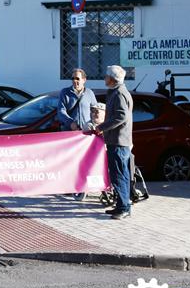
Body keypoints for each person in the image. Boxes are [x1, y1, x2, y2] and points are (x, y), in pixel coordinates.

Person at [97, 65, 134, 220]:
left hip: (119, 141)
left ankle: (124, 207)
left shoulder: (119, 93)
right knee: (121, 175)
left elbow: (121, 116)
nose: (104, 78)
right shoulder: (116, 92)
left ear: (112, 79)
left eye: (106, 76)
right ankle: (121, 205)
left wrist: (102, 127)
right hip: (117, 140)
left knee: (119, 175)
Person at [57, 67, 99, 200]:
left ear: (84, 80)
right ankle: (69, 186)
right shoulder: (65, 92)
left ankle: (83, 186)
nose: (75, 81)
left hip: (86, 134)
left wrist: (96, 124)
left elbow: (95, 111)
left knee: (85, 160)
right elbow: (60, 112)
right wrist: (70, 122)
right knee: (70, 161)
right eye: (73, 78)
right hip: (70, 134)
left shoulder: (90, 93)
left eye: (78, 78)